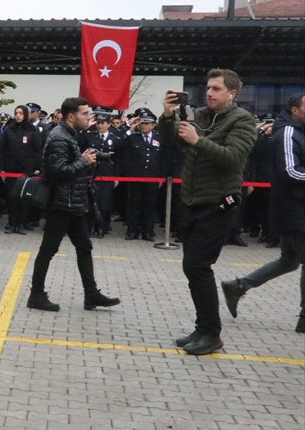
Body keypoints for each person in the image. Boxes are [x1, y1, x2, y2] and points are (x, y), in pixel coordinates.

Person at [161, 70, 257, 355]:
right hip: (191, 201)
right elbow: (170, 142)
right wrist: (167, 117)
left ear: (232, 94)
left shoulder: (243, 120)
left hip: (219, 203)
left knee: (197, 266)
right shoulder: (200, 115)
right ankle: (203, 327)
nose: (210, 93)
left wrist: (197, 141)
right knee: (193, 267)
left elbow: (232, 158)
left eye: (216, 89)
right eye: (208, 88)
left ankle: (210, 333)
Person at [26, 98, 121, 313]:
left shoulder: (69, 136)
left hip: (73, 202)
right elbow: (58, 171)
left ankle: (91, 294)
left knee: (84, 247)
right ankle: (36, 294)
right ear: (71, 116)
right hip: (62, 203)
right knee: (48, 250)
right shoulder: (60, 138)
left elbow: (71, 169)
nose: (90, 118)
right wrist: (83, 162)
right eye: (85, 114)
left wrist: (86, 164)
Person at [220, 93, 305, 332]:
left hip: (295, 207)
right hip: (293, 209)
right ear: (294, 111)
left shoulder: (298, 131)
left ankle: (238, 286)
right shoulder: (288, 133)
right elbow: (289, 171)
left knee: (288, 261)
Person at [0, 105, 43, 234]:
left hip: (26, 170)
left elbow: (38, 150)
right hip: (11, 169)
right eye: (16, 113)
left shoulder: (33, 130)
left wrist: (35, 168)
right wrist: (1, 168)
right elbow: (2, 149)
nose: (18, 115)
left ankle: (21, 223)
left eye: (20, 113)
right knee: (11, 197)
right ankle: (12, 223)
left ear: (25, 115)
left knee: (23, 198)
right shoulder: (8, 129)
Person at [118, 108, 161, 241]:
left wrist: (162, 177)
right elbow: (119, 145)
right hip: (136, 176)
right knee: (134, 205)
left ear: (153, 125)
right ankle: (132, 230)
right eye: (142, 123)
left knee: (150, 206)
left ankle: (147, 231)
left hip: (153, 177)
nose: (143, 125)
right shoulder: (133, 137)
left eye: (147, 123)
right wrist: (130, 128)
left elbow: (162, 158)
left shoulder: (159, 138)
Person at [80, 109, 120, 237]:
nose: (100, 125)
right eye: (98, 123)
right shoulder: (89, 135)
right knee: (92, 200)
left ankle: (102, 226)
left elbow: (118, 159)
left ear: (109, 124)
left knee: (105, 202)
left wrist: (116, 176)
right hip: (92, 172)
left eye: (103, 123)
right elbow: (79, 144)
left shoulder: (115, 138)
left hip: (107, 173)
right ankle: (91, 226)